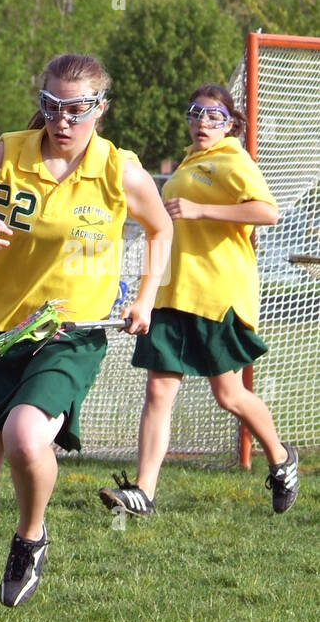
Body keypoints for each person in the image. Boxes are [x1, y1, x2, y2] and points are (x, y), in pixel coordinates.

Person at [0, 53, 172, 617]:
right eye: (52, 106)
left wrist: (146, 297)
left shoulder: (118, 170)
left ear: (100, 110)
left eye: (77, 109)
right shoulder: (9, 152)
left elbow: (161, 227)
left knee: (26, 435)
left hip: (68, 334)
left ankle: (30, 538)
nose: (62, 120)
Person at [98, 84, 297, 517]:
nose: (203, 123)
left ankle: (281, 459)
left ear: (230, 124)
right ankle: (143, 493)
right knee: (158, 391)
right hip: (172, 292)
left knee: (228, 395)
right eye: (196, 114)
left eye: (215, 116)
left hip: (215, 294)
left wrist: (202, 210)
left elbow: (268, 212)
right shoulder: (191, 160)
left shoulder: (232, 160)